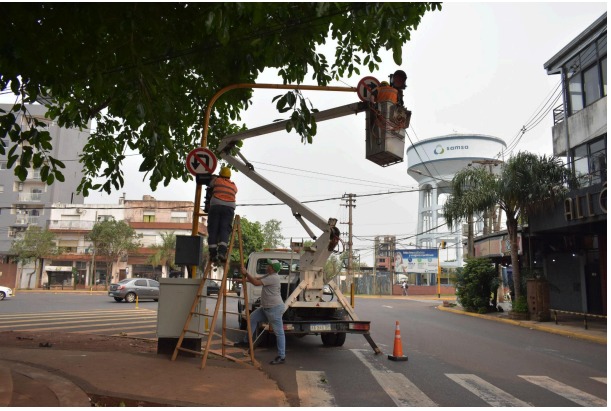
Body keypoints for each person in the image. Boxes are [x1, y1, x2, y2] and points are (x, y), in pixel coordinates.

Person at [235, 259, 286, 365]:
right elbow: (256, 279)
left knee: (279, 333)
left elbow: (256, 283)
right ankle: (246, 341)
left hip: (274, 308)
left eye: (269, 265)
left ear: (272, 268)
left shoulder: (273, 277)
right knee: (252, 318)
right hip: (266, 308)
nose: (267, 266)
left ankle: (281, 356)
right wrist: (243, 280)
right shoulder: (268, 275)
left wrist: (246, 273)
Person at [206, 165, 237, 263]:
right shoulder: (234, 186)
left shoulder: (217, 181)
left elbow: (209, 184)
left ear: (220, 174)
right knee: (224, 229)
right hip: (229, 208)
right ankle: (222, 253)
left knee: (213, 229)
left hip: (216, 206)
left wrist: (214, 177)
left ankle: (213, 254)